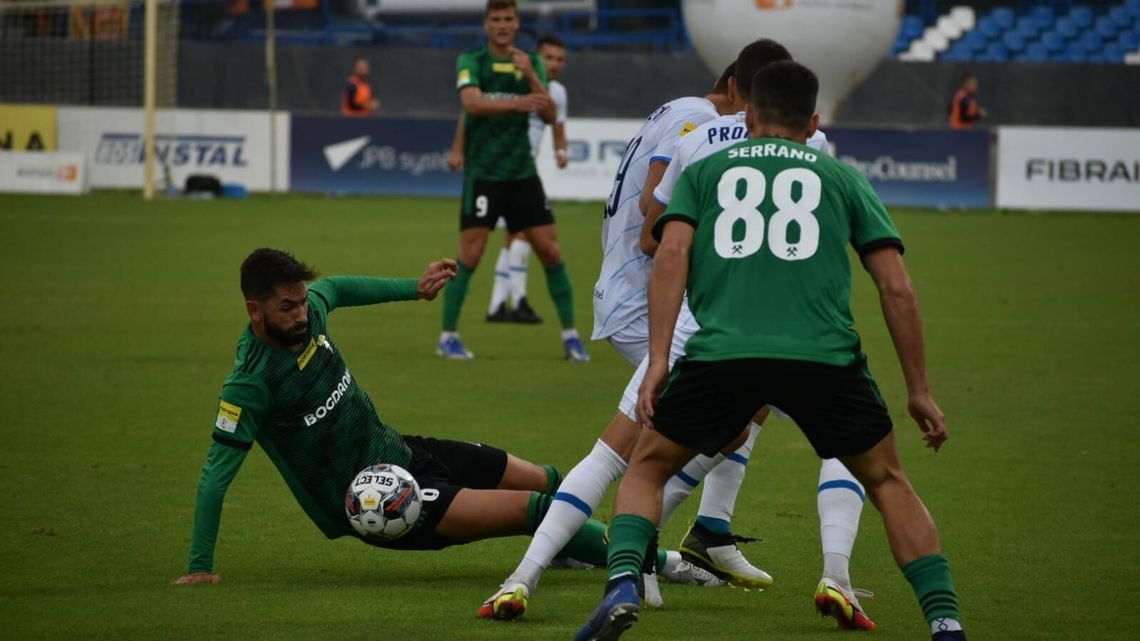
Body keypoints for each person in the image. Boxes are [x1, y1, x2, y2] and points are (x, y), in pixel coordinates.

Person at [576, 61, 966, 641]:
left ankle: (624, 585)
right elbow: (896, 286)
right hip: (823, 356)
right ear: (813, 122)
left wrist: (658, 361)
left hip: (723, 353)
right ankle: (946, 622)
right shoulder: (842, 176)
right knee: (887, 481)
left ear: (749, 114)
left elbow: (670, 257)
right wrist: (919, 390)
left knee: (648, 466)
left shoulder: (707, 170)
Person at [478, 47, 781, 624]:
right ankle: (628, 552)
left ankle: (701, 533)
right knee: (652, 443)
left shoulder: (681, 111)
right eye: (758, 107)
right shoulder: (703, 124)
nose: (758, 123)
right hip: (652, 301)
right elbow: (653, 225)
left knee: (739, 411)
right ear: (739, 90)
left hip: (645, 294)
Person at [174, 249, 686, 587]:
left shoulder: (312, 312)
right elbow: (216, 474)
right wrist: (200, 568)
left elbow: (339, 287)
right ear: (254, 311)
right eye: (286, 308)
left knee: (552, 480)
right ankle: (667, 566)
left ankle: (571, 548)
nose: (301, 315)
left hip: (404, 451)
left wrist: (413, 288)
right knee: (535, 508)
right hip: (381, 500)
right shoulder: (251, 383)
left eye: (302, 303)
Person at [646, 43, 873, 631]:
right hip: (784, 323)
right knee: (859, 450)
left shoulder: (697, 140)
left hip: (713, 316)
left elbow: (654, 228)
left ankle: (701, 531)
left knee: (725, 426)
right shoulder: (819, 153)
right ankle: (602, 551)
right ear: (808, 116)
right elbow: (882, 273)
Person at [438, 0, 588, 362]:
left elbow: (551, 114)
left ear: (517, 24)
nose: (502, 25)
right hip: (484, 175)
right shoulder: (471, 61)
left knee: (550, 252)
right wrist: (518, 104)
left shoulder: (529, 62)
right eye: (496, 19)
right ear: (487, 24)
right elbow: (471, 104)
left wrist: (533, 78)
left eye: (508, 19)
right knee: (470, 255)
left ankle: (571, 338)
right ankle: (448, 337)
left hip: (522, 174)